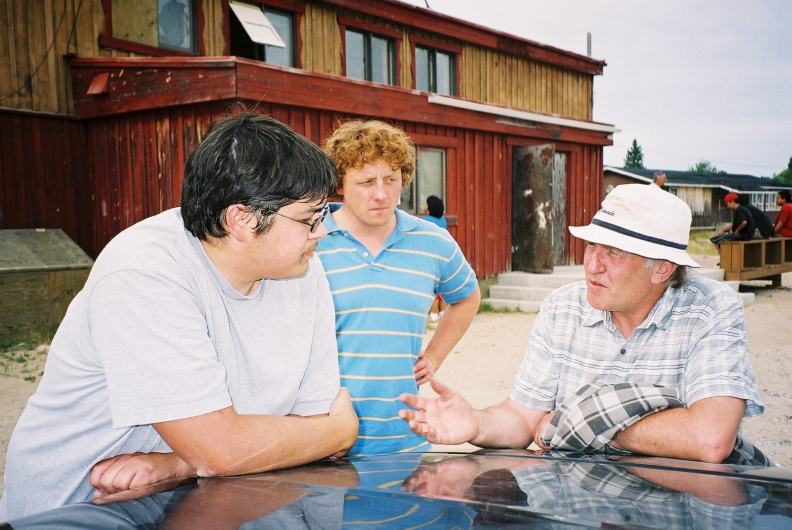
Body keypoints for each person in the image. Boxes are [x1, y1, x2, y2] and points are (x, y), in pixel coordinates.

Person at [0, 112, 358, 520]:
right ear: (240, 219)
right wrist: (340, 431)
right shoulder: (145, 271)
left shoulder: (304, 274)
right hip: (78, 509)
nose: (322, 233)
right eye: (310, 219)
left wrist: (181, 464)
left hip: (204, 501)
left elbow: (299, 430)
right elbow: (302, 435)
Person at [400, 183, 765, 464]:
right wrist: (476, 423)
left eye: (615, 252)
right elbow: (525, 419)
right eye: (592, 246)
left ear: (663, 269)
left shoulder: (710, 310)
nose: (592, 265)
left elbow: (710, 438)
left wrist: (574, 425)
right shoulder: (563, 308)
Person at [317, 120, 480, 455]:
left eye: (390, 180)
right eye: (365, 182)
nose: (381, 193)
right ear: (341, 185)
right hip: (324, 443)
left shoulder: (433, 242)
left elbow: (467, 297)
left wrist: (433, 356)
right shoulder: (310, 242)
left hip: (405, 441)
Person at [423, 195, 448, 320]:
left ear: (429, 208)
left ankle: (433, 313)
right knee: (441, 285)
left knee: (431, 286)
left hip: (430, 257)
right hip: (442, 256)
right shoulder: (443, 221)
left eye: (426, 204)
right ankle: (443, 311)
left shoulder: (425, 221)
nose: (424, 206)